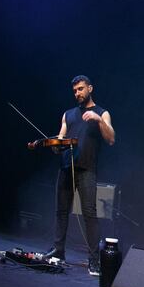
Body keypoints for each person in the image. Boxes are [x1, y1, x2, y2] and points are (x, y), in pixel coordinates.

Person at [44, 75, 115, 274]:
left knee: (90, 215)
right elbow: (60, 138)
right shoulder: (68, 114)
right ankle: (58, 252)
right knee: (61, 212)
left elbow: (111, 139)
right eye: (75, 90)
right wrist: (55, 146)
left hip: (87, 169)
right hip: (66, 167)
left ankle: (94, 260)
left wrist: (99, 119)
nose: (78, 93)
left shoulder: (102, 112)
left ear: (90, 88)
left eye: (81, 89)